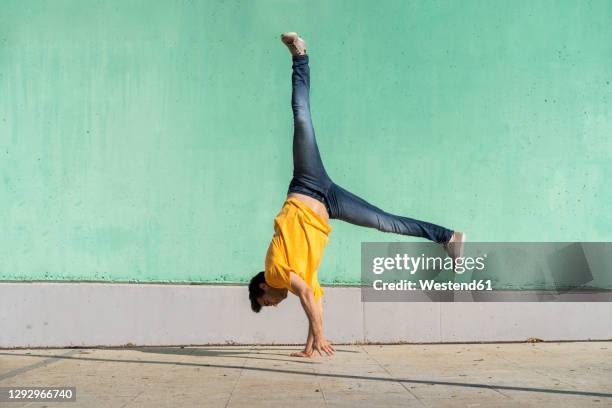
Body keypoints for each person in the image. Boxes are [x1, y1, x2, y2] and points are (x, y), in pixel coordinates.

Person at [248, 32, 465, 358]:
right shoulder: (297, 274)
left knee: (302, 118)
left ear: (263, 286)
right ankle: (447, 237)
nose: (274, 305)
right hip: (330, 201)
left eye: (266, 303)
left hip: (307, 184)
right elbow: (314, 299)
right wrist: (311, 346)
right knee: (385, 222)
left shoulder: (276, 271)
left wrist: (320, 336)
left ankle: (300, 57)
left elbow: (306, 294)